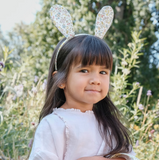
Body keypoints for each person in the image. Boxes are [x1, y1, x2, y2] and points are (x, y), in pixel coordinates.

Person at [29, 5, 139, 160]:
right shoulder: (53, 125)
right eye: (84, 70)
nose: (95, 80)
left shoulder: (109, 124)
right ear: (60, 80)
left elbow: (128, 156)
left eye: (103, 72)